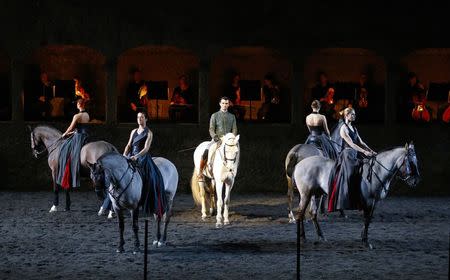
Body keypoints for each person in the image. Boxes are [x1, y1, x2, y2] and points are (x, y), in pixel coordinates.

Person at [328, 107, 376, 212]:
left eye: (354, 114)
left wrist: (371, 151)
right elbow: (351, 144)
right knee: (350, 174)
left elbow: (361, 142)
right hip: (347, 154)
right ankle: (346, 198)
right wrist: (364, 152)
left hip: (356, 152)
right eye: (352, 114)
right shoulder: (343, 129)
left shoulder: (354, 128)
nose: (354, 116)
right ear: (346, 115)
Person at [123, 112, 167, 217]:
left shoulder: (149, 133)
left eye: (142, 117)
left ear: (146, 119)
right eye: (138, 117)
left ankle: (146, 201)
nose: (139, 119)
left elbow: (146, 149)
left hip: (142, 157)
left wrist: (136, 156)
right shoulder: (133, 131)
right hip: (131, 154)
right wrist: (124, 154)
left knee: (151, 177)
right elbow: (129, 145)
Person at [54, 99, 90, 211]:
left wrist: (64, 134)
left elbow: (71, 127)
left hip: (78, 138)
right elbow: (80, 129)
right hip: (85, 136)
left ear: (79, 105)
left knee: (65, 148)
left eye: (77, 104)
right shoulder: (87, 115)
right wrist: (73, 132)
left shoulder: (77, 116)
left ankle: (65, 166)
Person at [198, 96, 238, 176]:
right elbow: (211, 129)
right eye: (223, 103)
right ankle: (200, 171)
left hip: (228, 140)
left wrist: (231, 139)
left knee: (235, 151)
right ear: (220, 104)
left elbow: (234, 129)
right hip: (217, 139)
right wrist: (216, 138)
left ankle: (234, 169)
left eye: (226, 103)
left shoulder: (232, 116)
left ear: (228, 104)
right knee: (207, 150)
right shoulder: (214, 115)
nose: (224, 105)